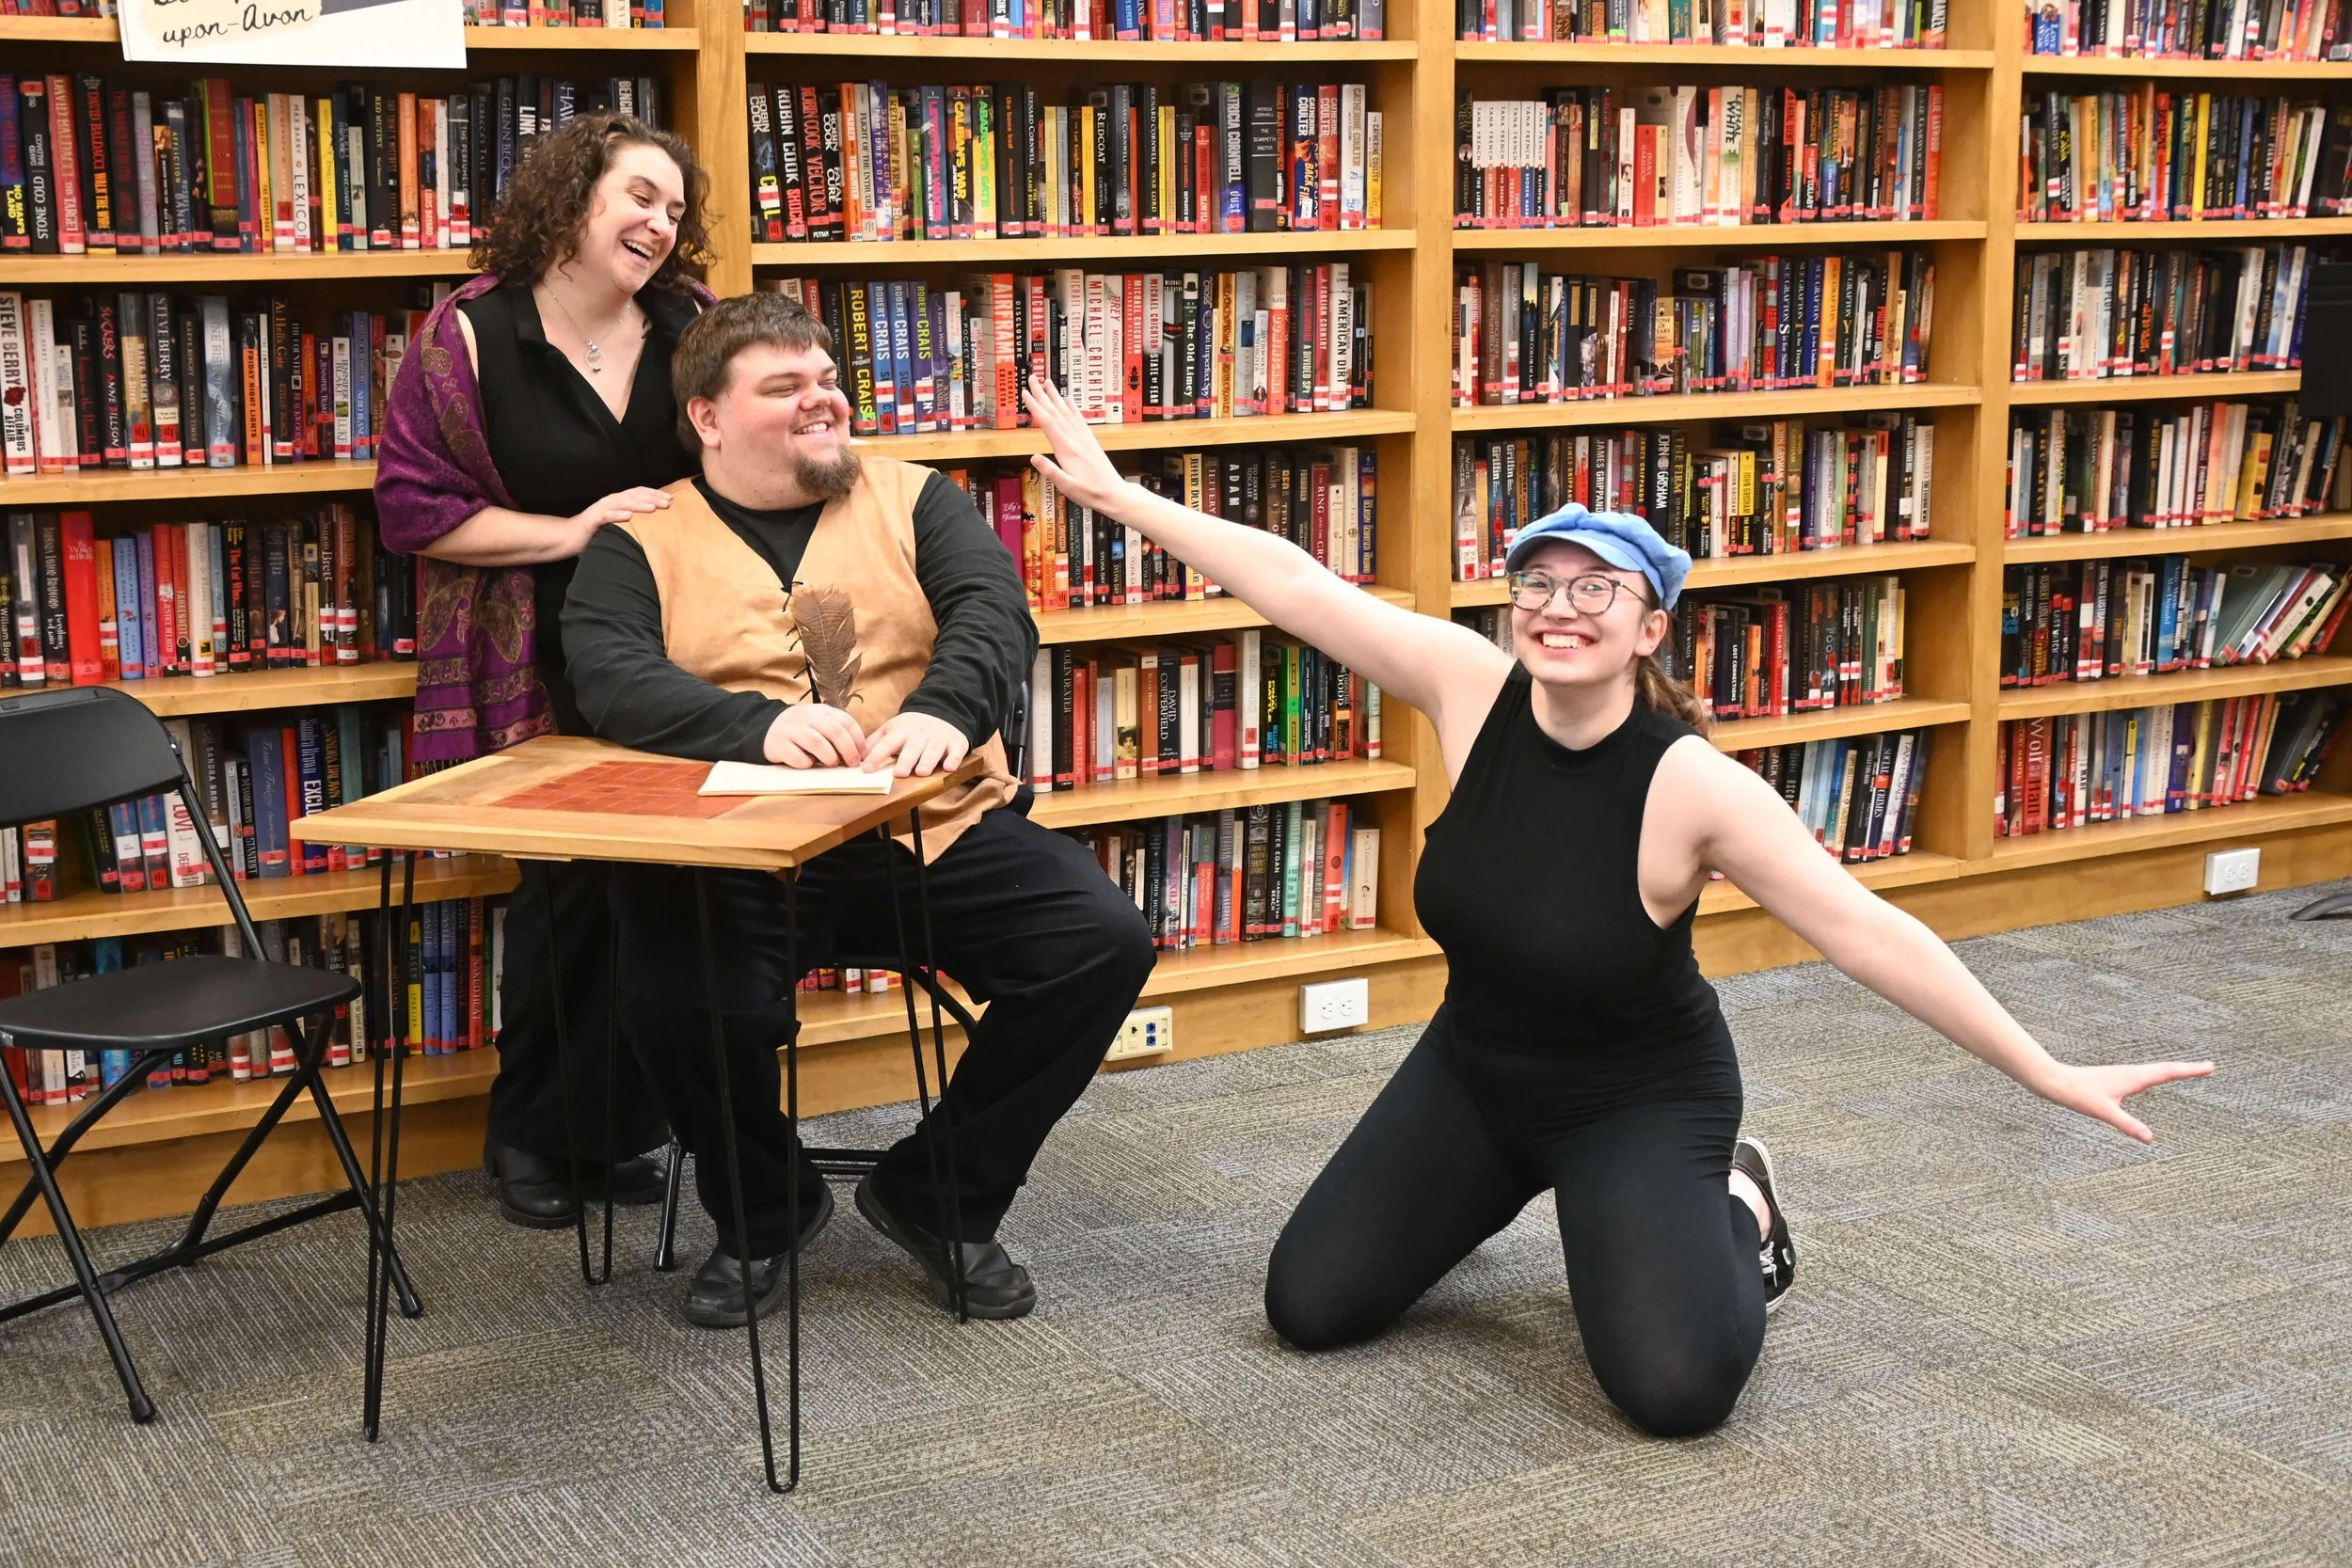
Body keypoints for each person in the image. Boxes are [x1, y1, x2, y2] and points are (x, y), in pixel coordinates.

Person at [1019, 373, 2216, 1437]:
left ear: (1650, 628)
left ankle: (1738, 1206)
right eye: (1537, 581)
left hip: (1636, 1099)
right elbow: (1297, 583)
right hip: (1476, 1075)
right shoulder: (1468, 687)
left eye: (1599, 589)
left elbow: (1866, 929)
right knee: (1309, 1306)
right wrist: (1126, 499)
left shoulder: (1690, 781)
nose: (1560, 605)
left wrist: (2044, 1068)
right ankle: (1531, 1198)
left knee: (1673, 1393)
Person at [559, 293, 1156, 1329]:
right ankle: (761, 1211)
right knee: (674, 990)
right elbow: (606, 675)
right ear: (707, 415)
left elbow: (992, 612)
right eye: (783, 387)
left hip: (928, 827)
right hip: (741, 855)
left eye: (826, 380)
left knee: (1099, 942)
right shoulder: (640, 537)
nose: (819, 400)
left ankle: (940, 1194)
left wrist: (942, 712)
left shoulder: (918, 497)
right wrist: (750, 727)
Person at [375, 112, 716, 1228]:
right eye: (639, 197)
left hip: (675, 649)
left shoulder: (689, 325)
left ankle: (615, 1128)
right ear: (572, 201)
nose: (660, 224)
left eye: (674, 207)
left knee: (663, 889)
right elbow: (416, 513)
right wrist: (573, 532)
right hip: (531, 647)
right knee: (565, 890)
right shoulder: (470, 335)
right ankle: (530, 1130)